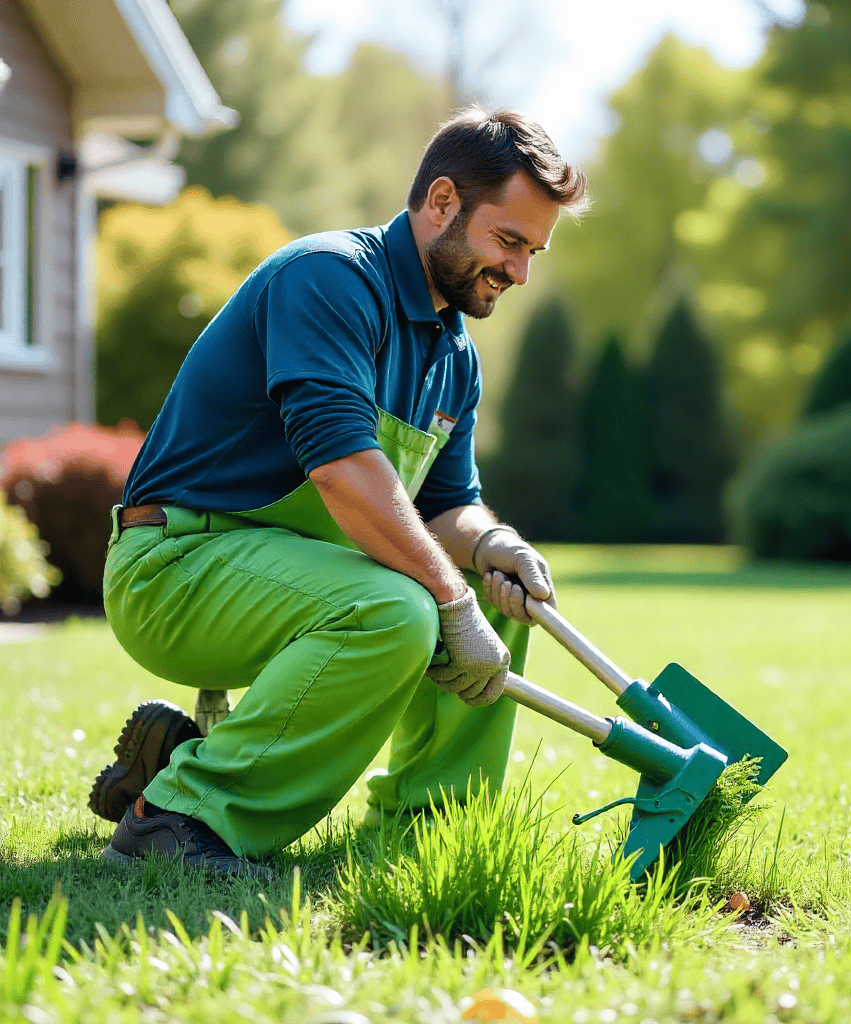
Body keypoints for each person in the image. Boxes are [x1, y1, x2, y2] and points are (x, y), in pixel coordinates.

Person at [91, 107, 589, 876]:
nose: (521, 271)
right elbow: (341, 468)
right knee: (401, 607)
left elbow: (444, 506)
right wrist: (448, 606)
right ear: (443, 202)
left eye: (534, 252)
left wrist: (493, 544)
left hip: (288, 573)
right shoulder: (328, 279)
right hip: (178, 565)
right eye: (510, 241)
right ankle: (181, 815)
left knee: (496, 588)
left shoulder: (454, 353)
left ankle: (430, 829)